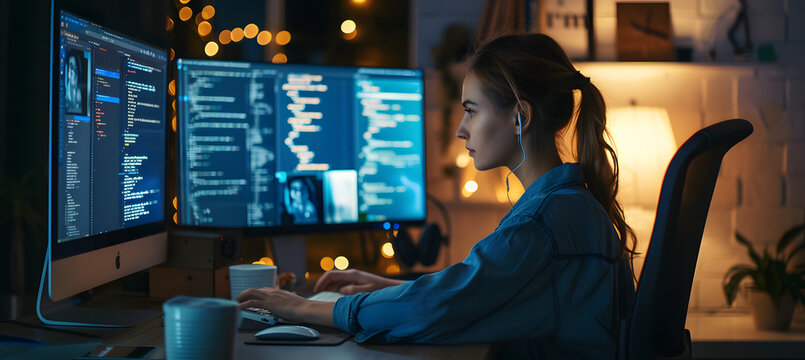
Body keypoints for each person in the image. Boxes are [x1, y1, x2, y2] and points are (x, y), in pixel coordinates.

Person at [236, 33, 637, 359]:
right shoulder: (568, 206)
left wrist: (300, 306)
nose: (461, 129)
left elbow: (434, 307)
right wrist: (385, 289)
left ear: (521, 117)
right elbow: (473, 292)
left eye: (472, 110)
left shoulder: (539, 225)